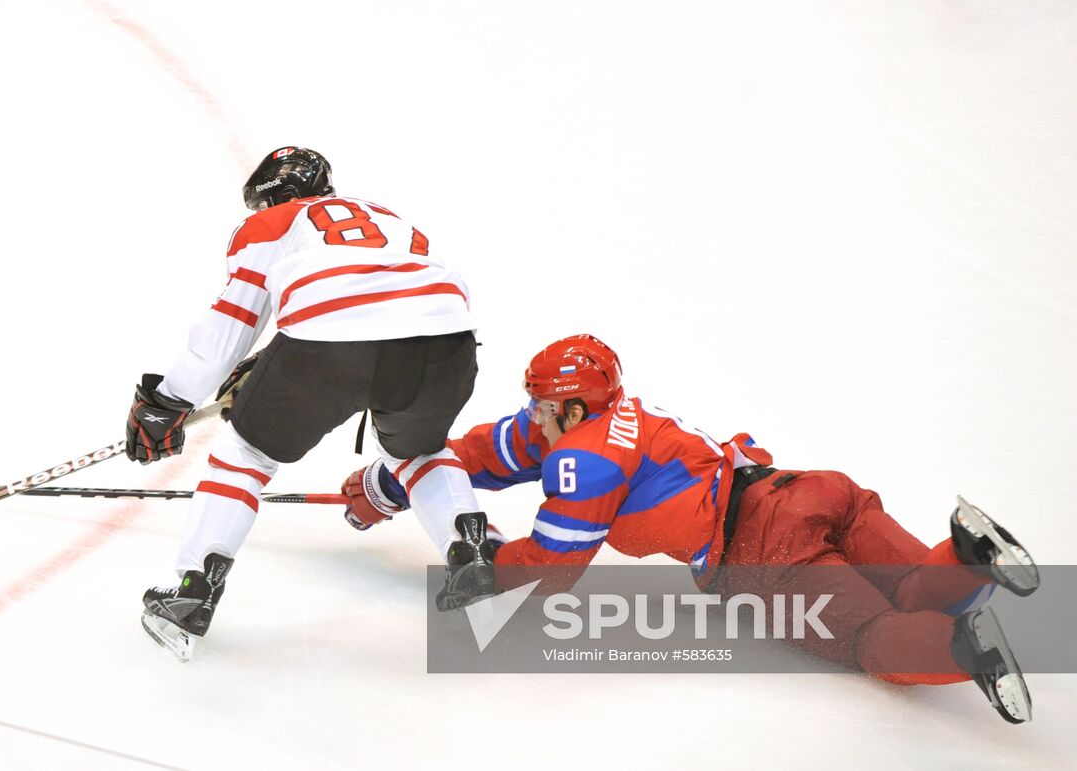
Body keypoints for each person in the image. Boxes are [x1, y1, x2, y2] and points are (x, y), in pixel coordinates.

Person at [340, 334, 1040, 723]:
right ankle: (972, 558)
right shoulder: (614, 416)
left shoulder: (585, 455)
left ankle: (960, 647)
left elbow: (552, 567)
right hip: (813, 491)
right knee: (914, 580)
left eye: (542, 402)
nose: (532, 413)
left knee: (869, 636)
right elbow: (490, 451)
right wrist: (394, 479)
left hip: (764, 549)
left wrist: (487, 558)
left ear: (574, 405)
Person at [125, 147, 496, 661]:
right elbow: (389, 299)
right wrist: (281, 353)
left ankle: (192, 591)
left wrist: (169, 399)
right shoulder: (391, 219)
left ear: (271, 195)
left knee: (245, 456)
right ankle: (473, 552)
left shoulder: (271, 223)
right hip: (446, 343)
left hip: (329, 344)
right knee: (420, 452)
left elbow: (232, 322)